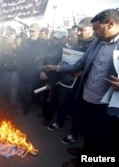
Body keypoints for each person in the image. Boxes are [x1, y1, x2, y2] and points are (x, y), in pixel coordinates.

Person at [44, 8, 119, 167]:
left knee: (100, 139)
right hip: (86, 96)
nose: (94, 32)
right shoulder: (96, 42)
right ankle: (84, 154)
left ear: (111, 24)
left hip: (105, 105)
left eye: (97, 28)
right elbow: (80, 64)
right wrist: (57, 68)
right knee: (87, 132)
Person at [47, 17, 94, 146]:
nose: (78, 33)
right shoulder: (76, 43)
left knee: (77, 110)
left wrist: (83, 72)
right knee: (62, 102)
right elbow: (69, 57)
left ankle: (73, 134)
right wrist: (62, 64)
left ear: (92, 29)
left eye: (82, 30)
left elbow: (98, 66)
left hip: (82, 84)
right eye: (78, 30)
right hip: (66, 79)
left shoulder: (95, 44)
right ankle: (59, 122)